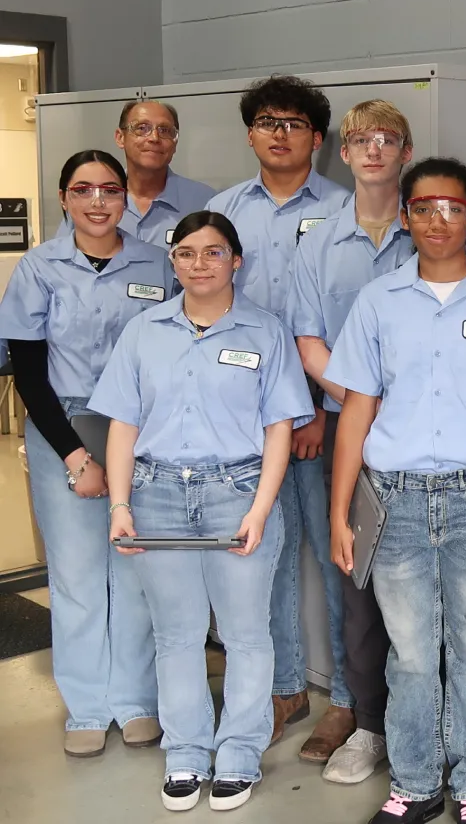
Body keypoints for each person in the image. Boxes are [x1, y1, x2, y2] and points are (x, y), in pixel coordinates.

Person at [325, 157, 466, 824]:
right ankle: (417, 783)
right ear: (405, 217)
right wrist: (343, 512)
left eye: (452, 207)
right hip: (394, 501)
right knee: (410, 656)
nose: (438, 220)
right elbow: (357, 415)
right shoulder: (379, 301)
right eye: (423, 207)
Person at [88, 211, 314, 812]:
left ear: (236, 260)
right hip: (156, 492)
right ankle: (186, 755)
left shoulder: (265, 333)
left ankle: (238, 755)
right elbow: (123, 425)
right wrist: (118, 503)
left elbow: (278, 430)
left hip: (237, 491)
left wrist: (261, 509)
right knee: (177, 635)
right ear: (173, 260)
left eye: (214, 253)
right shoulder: (144, 331)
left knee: (244, 634)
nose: (199, 264)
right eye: (186, 253)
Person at [0, 150, 174, 757]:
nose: (98, 201)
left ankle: (134, 701)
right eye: (83, 190)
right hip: (63, 428)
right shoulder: (39, 268)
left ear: (125, 196)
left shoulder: (159, 261)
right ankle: (87, 706)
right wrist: (77, 457)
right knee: (76, 575)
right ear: (64, 198)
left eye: (109, 189)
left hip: (140, 429)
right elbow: (27, 372)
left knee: (133, 567)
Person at [207, 74, 353, 760]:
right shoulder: (224, 210)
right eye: (267, 121)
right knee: (266, 556)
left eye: (294, 123)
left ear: (317, 140)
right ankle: (284, 688)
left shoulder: (346, 211)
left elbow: (353, 326)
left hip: (324, 419)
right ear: (250, 133)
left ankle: (347, 699)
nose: (280, 133)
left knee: (335, 556)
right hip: (242, 424)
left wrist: (323, 409)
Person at [288, 100, 415, 782]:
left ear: (406, 151)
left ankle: (425, 724)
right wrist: (359, 402)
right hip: (349, 430)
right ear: (343, 152)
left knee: (426, 585)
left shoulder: (429, 229)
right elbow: (308, 341)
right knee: (358, 580)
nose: (371, 150)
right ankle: (368, 724)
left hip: (426, 434)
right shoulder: (316, 242)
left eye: (385, 139)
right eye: (360, 140)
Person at [56, 100, 215, 248]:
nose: (154, 138)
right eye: (142, 128)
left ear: (175, 143)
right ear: (120, 137)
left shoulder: (206, 202)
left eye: (164, 130)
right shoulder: (90, 201)